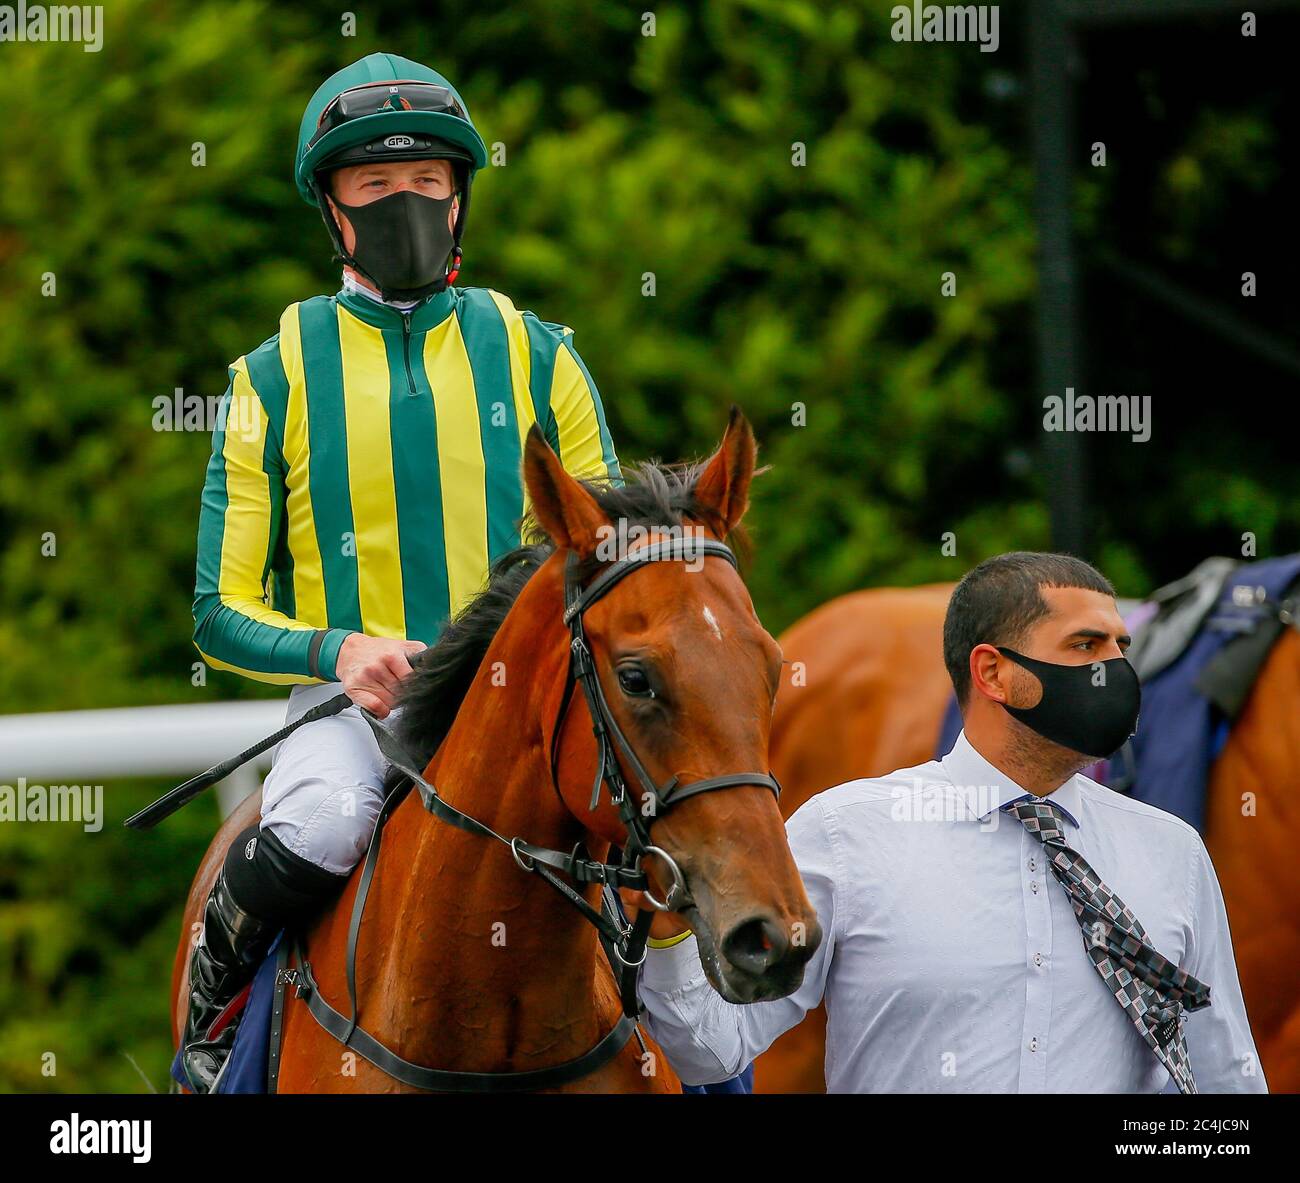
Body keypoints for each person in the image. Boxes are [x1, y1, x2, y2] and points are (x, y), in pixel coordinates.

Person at [180, 52, 620, 1092]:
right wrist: (344, 650)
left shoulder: (538, 351)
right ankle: (212, 1025)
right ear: (331, 209)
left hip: (527, 711)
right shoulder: (271, 375)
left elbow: (605, 557)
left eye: (427, 180)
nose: (405, 202)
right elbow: (216, 611)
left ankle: (715, 1061)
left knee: (658, 827)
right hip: (352, 715)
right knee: (322, 819)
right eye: (374, 186)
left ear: (460, 194)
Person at [637, 552, 1267, 1093]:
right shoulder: (844, 833)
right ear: (992, 672)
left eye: (1119, 647)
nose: (1116, 671)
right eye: (1086, 646)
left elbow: (1225, 1079)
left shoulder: (1172, 852)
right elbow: (714, 1050)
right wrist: (664, 920)